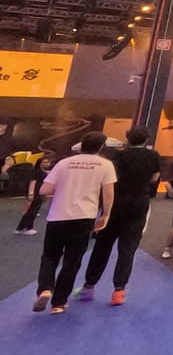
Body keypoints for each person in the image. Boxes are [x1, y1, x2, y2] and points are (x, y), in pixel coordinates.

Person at [75, 127, 162, 305]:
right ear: (146, 139)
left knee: (102, 245)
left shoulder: (118, 156)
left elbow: (110, 179)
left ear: (127, 139)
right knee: (128, 248)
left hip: (116, 203)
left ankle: (88, 286)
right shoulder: (153, 156)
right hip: (139, 203)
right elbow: (155, 178)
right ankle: (119, 291)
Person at [31, 132, 116, 314]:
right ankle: (59, 303)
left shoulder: (64, 163)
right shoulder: (106, 165)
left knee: (50, 256)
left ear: (81, 145)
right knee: (73, 260)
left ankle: (45, 288)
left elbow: (45, 189)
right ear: (102, 146)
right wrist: (106, 214)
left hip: (57, 216)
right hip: (84, 217)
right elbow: (108, 193)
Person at [14, 153, 52, 234]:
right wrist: (31, 194)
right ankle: (27, 228)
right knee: (31, 211)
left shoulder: (43, 171)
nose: (47, 163)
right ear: (39, 163)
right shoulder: (36, 172)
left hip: (40, 193)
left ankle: (20, 228)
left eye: (47, 162)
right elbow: (33, 182)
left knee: (33, 211)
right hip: (35, 193)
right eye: (44, 162)